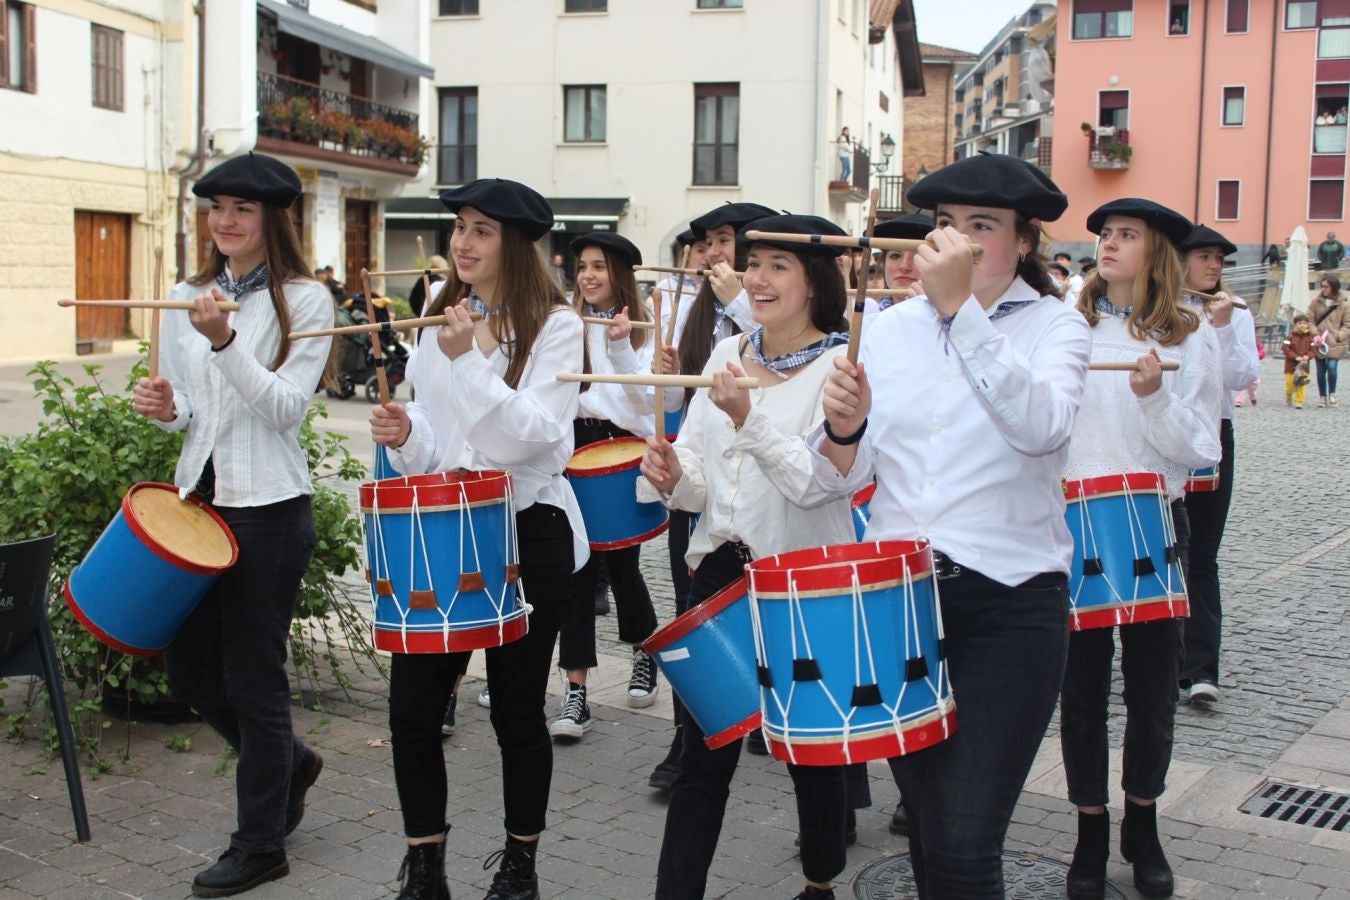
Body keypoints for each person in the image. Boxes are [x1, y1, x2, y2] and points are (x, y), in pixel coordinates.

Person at [813, 152, 1092, 897]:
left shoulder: (1056, 327)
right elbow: (844, 476)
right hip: (899, 601)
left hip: (1011, 602)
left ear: (1024, 242)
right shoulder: (888, 329)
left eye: (982, 226)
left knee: (969, 840)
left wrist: (961, 313)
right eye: (945, 225)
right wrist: (844, 430)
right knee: (934, 834)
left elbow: (1040, 427)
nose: (958, 241)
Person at [370, 178, 586, 900]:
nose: (463, 241)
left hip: (527, 527)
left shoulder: (556, 325)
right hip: (445, 524)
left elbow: (536, 441)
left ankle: (519, 863)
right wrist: (407, 437)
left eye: (482, 230)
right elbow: (442, 434)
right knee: (411, 710)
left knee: (518, 712)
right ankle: (425, 866)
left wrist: (468, 358)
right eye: (460, 226)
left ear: (515, 244)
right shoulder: (443, 316)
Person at [131, 152, 333, 898]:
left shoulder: (306, 301)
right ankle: (290, 765)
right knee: (188, 670)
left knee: (255, 681)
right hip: (197, 507)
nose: (224, 221)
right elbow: (193, 409)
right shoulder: (187, 294)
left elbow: (282, 409)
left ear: (271, 220)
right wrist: (166, 407)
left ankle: (259, 845)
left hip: (270, 512)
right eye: (216, 207)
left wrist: (224, 341)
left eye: (241, 210)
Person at [641, 213, 857, 900]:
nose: (756, 279)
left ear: (816, 281)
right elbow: (706, 475)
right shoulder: (726, 353)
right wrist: (675, 476)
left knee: (809, 753)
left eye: (777, 267)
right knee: (704, 751)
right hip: (717, 572)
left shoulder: (843, 369)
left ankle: (820, 882)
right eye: (754, 262)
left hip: (801, 581)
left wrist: (747, 418)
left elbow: (816, 483)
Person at [1060, 199, 1221, 900]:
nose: (1108, 244)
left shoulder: (1191, 336)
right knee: (1082, 693)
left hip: (1156, 520)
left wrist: (1156, 398)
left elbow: (1201, 450)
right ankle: (1090, 830)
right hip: (1073, 524)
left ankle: (1144, 822)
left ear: (1154, 251)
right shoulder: (1070, 323)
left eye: (1125, 235)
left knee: (1154, 692)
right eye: (1104, 234)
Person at [646, 200, 779, 789]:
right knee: (692, 613)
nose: (714, 254)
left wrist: (737, 300)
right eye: (707, 243)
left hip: (771, 499)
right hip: (703, 491)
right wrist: (662, 374)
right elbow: (680, 409)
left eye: (726, 241)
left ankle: (770, 723)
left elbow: (782, 349)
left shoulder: (749, 307)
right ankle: (686, 741)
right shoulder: (696, 313)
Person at [553, 231, 661, 740]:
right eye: (583, 267)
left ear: (620, 274)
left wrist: (619, 349)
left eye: (599, 266)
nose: (589, 276)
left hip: (620, 452)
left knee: (622, 566)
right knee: (576, 571)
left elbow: (645, 406)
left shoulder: (643, 329)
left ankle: (646, 653)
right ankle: (576, 691)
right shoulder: (565, 325)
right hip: (572, 448)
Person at [1177, 224, 1260, 706]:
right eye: (1204, 256)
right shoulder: (1162, 308)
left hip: (1215, 433)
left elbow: (1242, 377)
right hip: (1165, 433)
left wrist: (1224, 328)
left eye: (1220, 260)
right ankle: (1161, 662)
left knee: (1202, 556)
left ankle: (1202, 668)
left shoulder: (1232, 312)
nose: (1214, 266)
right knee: (1165, 549)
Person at [865, 212, 931, 317]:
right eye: (895, 256)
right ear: (883, 262)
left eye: (917, 257)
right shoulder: (866, 323)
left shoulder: (953, 325)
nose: (904, 266)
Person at [1306, 275, 1350, 406]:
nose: (1323, 289)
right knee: (1320, 370)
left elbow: (1347, 324)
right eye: (1322, 286)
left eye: (1326, 286)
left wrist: (1338, 335)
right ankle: (1322, 396)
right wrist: (1315, 334)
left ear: (1333, 287)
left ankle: (1332, 393)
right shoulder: (1315, 302)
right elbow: (1310, 320)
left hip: (1335, 342)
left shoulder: (1344, 305)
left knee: (1332, 367)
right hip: (1319, 341)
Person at [1284, 314, 1317, 408]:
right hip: (1291, 366)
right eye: (1300, 323)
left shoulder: (1310, 337)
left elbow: (1313, 349)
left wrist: (1308, 356)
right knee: (1291, 384)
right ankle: (1289, 394)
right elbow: (1285, 348)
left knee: (1302, 384)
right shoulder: (1289, 337)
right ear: (1295, 325)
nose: (1302, 325)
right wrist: (1295, 357)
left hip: (1304, 366)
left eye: (1304, 323)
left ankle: (1299, 401)